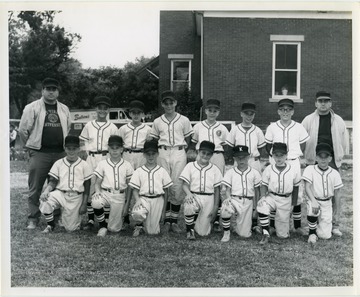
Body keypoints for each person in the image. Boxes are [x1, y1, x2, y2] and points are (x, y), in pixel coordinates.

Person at [18, 78, 71, 230]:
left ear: (58, 91)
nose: (51, 91)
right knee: (36, 187)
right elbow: (23, 130)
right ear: (42, 91)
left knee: (59, 186)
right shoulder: (32, 107)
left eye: (54, 89)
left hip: (60, 153)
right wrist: (30, 147)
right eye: (48, 89)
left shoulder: (64, 108)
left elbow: (67, 126)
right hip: (40, 152)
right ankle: (33, 218)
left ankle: (56, 216)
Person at [301, 91, 347, 237]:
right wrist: (306, 158)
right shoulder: (308, 120)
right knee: (311, 193)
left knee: (334, 194)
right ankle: (312, 224)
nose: (323, 104)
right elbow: (301, 141)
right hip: (313, 159)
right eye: (320, 101)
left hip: (331, 160)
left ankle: (335, 225)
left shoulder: (338, 120)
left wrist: (338, 157)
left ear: (330, 103)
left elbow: (344, 142)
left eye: (326, 101)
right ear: (315, 103)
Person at [149, 90, 193, 233]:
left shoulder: (184, 119)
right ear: (162, 104)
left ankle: (173, 220)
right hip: (163, 151)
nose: (169, 105)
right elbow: (154, 139)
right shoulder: (157, 121)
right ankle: (166, 219)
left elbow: (188, 138)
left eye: (171, 102)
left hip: (179, 151)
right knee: (164, 184)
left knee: (177, 185)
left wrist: (182, 152)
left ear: (175, 103)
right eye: (166, 103)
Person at [264, 98, 310, 236]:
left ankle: (296, 226)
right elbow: (268, 146)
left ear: (293, 111)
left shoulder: (298, 126)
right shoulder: (272, 127)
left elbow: (303, 144)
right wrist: (276, 158)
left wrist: (293, 155)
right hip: (276, 161)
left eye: (288, 109)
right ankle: (272, 225)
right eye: (283, 109)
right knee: (274, 191)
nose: (286, 112)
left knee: (296, 193)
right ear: (278, 111)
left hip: (293, 161)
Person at [79, 95, 118, 231]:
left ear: (108, 110)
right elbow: (82, 141)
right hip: (92, 157)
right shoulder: (89, 125)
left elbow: (116, 145)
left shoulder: (112, 126)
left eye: (105, 108)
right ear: (96, 109)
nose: (102, 110)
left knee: (105, 185)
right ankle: (90, 220)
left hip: (106, 157)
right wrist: (84, 152)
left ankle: (105, 219)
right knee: (90, 187)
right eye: (100, 108)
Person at [39, 135, 92, 233]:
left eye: (74, 148)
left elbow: (87, 185)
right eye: (69, 148)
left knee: (71, 229)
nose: (71, 151)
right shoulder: (59, 163)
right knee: (46, 200)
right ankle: (51, 225)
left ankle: (68, 220)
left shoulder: (84, 164)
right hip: (61, 194)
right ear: (65, 148)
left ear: (79, 149)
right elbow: (53, 181)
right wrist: (46, 191)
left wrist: (84, 203)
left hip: (76, 196)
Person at [190, 99, 229, 231]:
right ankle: (197, 214)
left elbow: (225, 144)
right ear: (205, 110)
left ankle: (216, 219)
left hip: (217, 155)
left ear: (218, 112)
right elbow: (193, 141)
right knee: (201, 183)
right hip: (202, 156)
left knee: (217, 185)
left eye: (215, 111)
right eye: (210, 110)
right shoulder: (198, 126)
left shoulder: (222, 128)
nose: (212, 113)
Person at [256, 143, 301, 245]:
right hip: (271, 196)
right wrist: (262, 197)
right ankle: (266, 233)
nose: (279, 158)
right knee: (262, 205)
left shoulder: (293, 170)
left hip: (285, 200)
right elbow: (264, 185)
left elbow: (296, 187)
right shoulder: (269, 169)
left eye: (282, 155)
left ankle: (277, 227)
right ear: (272, 156)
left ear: (286, 156)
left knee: (282, 236)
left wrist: (293, 205)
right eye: (276, 155)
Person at [118, 100, 152, 229]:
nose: (136, 115)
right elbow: (119, 145)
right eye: (133, 112)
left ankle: (140, 219)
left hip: (141, 155)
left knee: (141, 185)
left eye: (139, 113)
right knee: (126, 185)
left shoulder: (148, 129)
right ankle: (125, 217)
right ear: (130, 114)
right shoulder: (124, 128)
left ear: (143, 114)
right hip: (127, 155)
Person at [91, 135, 134, 237]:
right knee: (96, 202)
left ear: (122, 149)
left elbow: (130, 186)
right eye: (112, 148)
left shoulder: (127, 165)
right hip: (105, 193)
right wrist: (97, 191)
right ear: (108, 149)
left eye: (117, 148)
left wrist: (127, 204)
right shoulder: (103, 163)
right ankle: (102, 226)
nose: (115, 150)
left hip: (119, 195)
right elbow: (97, 183)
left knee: (114, 229)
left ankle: (113, 223)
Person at [128, 140, 173, 236]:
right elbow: (134, 189)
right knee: (137, 213)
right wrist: (137, 200)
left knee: (153, 232)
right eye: (148, 154)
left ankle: (146, 224)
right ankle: (139, 225)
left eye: (153, 154)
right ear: (144, 154)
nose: (151, 156)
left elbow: (166, 191)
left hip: (158, 199)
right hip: (143, 199)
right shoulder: (139, 171)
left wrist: (164, 211)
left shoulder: (162, 171)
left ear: (157, 154)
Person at [180, 141, 222, 240]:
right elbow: (184, 185)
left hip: (209, 198)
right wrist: (188, 193)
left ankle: (197, 221)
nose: (205, 156)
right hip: (194, 196)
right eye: (203, 153)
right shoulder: (190, 166)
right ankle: (189, 230)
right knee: (189, 204)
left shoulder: (215, 169)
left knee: (203, 233)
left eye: (208, 154)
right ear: (198, 152)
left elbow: (217, 190)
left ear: (211, 155)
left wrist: (216, 207)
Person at [302, 143, 343, 246]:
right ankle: (312, 232)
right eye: (321, 156)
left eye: (326, 157)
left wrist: (337, 211)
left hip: (327, 202)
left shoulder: (334, 173)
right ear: (316, 157)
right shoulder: (310, 169)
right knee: (312, 208)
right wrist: (314, 201)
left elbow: (337, 193)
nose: (323, 160)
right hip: (314, 199)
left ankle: (316, 225)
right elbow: (307, 187)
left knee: (325, 236)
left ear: (330, 158)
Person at [220, 145, 262, 242]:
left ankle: (237, 225)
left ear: (249, 157)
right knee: (226, 207)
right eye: (238, 158)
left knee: (244, 235)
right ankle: (226, 233)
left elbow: (257, 191)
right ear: (234, 158)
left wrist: (255, 208)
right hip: (234, 199)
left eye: (244, 157)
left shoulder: (254, 172)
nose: (241, 160)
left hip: (248, 202)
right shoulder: (231, 172)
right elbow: (227, 188)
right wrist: (228, 198)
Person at [226, 102, 266, 173]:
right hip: (239, 160)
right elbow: (230, 147)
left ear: (254, 115)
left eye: (251, 114)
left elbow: (260, 148)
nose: (249, 116)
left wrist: (255, 158)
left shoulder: (257, 130)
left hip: (253, 161)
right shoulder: (235, 129)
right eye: (246, 113)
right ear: (241, 114)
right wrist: (234, 158)